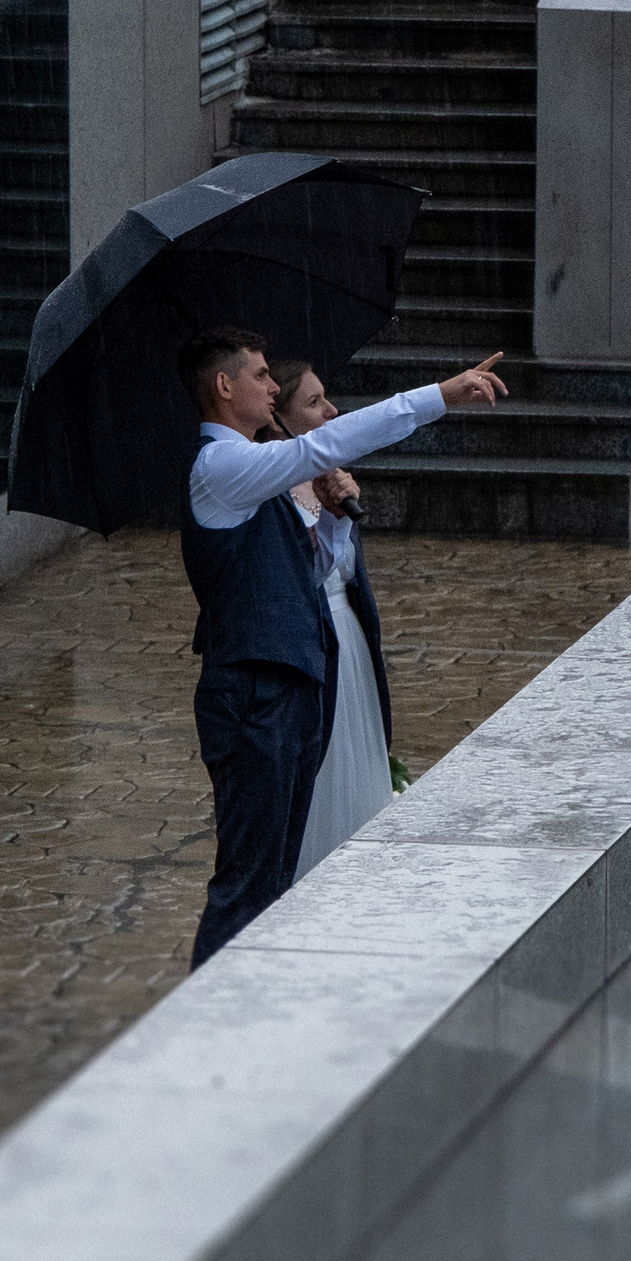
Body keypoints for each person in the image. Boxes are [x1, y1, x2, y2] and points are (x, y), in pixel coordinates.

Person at [177, 326, 505, 967]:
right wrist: (440, 395)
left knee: (279, 873)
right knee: (248, 880)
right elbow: (324, 443)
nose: (272, 388)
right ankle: (210, 1008)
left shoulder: (251, 472)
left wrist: (329, 519)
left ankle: (261, 994)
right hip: (253, 694)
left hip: (293, 682)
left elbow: (302, 576)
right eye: (260, 375)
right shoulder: (221, 467)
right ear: (223, 386)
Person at [257, 360, 393, 880]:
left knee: (358, 775)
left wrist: (338, 516)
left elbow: (348, 574)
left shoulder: (329, 481)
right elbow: (298, 578)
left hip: (348, 643)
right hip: (309, 647)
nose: (332, 411)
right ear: (280, 418)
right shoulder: (267, 490)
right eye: (314, 403)